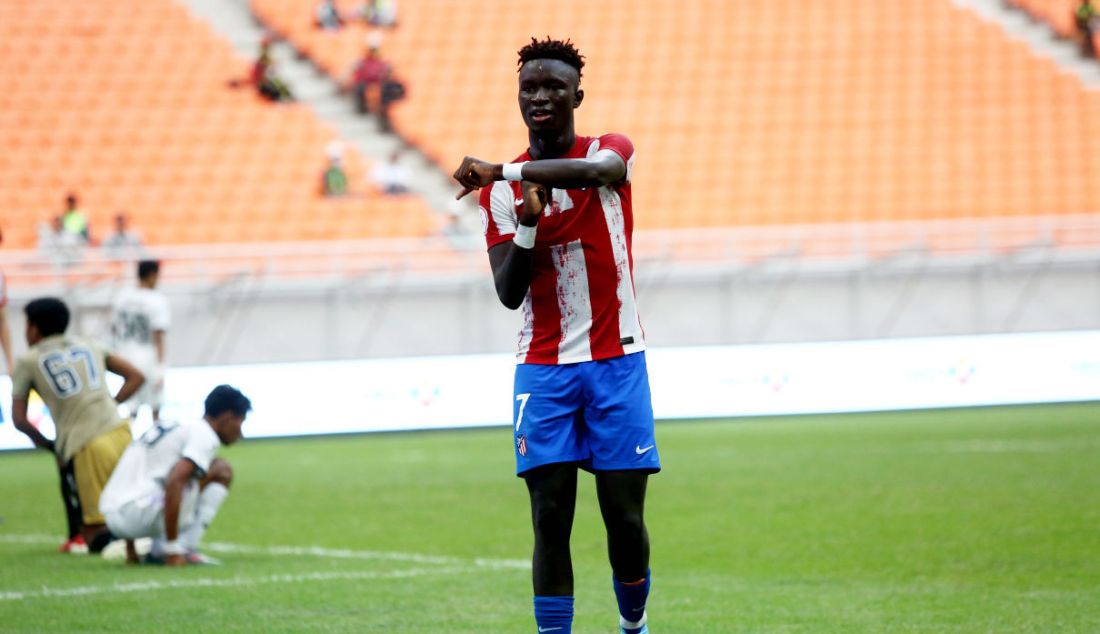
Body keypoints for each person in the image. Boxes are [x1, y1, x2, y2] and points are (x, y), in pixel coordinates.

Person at [452, 37, 658, 634]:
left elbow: (598, 174)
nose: (539, 97)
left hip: (617, 360)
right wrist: (525, 226)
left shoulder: (609, 151)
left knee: (622, 519)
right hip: (542, 370)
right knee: (549, 518)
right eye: (529, 88)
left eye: (553, 88)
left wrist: (504, 168)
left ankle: (633, 625)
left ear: (577, 96)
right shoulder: (499, 195)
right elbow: (508, 292)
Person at [10, 298, 145, 553]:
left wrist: (51, 446)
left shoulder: (28, 361)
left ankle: (129, 545)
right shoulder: (90, 344)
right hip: (120, 431)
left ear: (34, 328)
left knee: (93, 533)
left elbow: (18, 419)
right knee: (128, 505)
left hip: (87, 443)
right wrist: (111, 404)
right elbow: (137, 376)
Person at [99, 385, 251, 566]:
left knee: (167, 476)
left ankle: (146, 548)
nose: (240, 433)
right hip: (138, 516)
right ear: (227, 417)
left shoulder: (173, 425)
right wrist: (172, 549)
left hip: (113, 516)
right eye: (240, 421)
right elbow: (176, 480)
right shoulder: (204, 434)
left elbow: (134, 474)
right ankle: (178, 548)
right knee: (220, 469)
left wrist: (130, 548)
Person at [111, 260, 171, 422]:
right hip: (147, 357)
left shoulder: (122, 297)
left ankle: (127, 443)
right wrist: (161, 367)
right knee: (156, 405)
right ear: (152, 275)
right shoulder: (157, 300)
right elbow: (158, 335)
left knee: (131, 406)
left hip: (125, 357)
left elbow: (114, 329)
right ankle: (157, 442)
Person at [347, 44, 389, 114]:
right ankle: (362, 108)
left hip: (378, 82)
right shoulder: (362, 61)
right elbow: (354, 70)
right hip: (365, 82)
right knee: (359, 88)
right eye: (372, 51)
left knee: (387, 89)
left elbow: (386, 73)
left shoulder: (382, 62)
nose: (374, 53)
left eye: (375, 51)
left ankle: (383, 111)